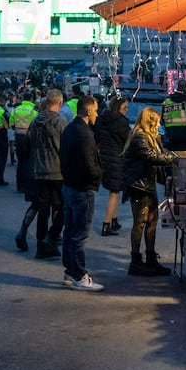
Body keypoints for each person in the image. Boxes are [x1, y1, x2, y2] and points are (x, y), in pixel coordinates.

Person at [121, 106, 174, 277]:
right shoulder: (140, 137)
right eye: (157, 122)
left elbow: (160, 153)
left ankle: (151, 258)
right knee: (140, 222)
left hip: (148, 184)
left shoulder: (152, 137)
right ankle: (135, 261)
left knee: (152, 220)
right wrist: (174, 158)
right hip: (138, 185)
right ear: (150, 122)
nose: (159, 125)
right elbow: (152, 157)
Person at [58, 95, 103, 292]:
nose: (97, 114)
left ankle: (70, 270)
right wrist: (98, 175)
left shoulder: (70, 129)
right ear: (87, 111)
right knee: (79, 234)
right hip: (82, 189)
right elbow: (89, 165)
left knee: (69, 231)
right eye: (95, 110)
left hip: (69, 186)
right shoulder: (84, 134)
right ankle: (79, 275)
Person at [18, 90, 66, 259]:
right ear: (59, 103)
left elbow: (28, 142)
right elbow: (65, 148)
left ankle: (41, 245)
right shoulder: (60, 123)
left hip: (39, 169)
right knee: (62, 208)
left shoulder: (35, 121)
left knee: (43, 209)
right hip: (57, 171)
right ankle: (50, 238)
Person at [92, 95, 130, 237]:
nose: (126, 110)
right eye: (125, 108)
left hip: (105, 157)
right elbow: (128, 139)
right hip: (117, 158)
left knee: (114, 191)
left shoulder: (102, 119)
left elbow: (97, 137)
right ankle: (106, 225)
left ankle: (114, 220)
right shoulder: (121, 122)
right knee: (114, 193)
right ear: (117, 107)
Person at [9, 93, 37, 192]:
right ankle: (26, 185)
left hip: (18, 137)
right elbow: (35, 127)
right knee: (28, 162)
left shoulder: (15, 110)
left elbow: (11, 124)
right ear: (31, 99)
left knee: (20, 161)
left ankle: (19, 184)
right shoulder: (34, 112)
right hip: (28, 138)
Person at [161, 80, 186, 151]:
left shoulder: (167, 101)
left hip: (171, 136)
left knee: (172, 158)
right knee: (185, 159)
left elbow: (163, 118)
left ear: (177, 87)